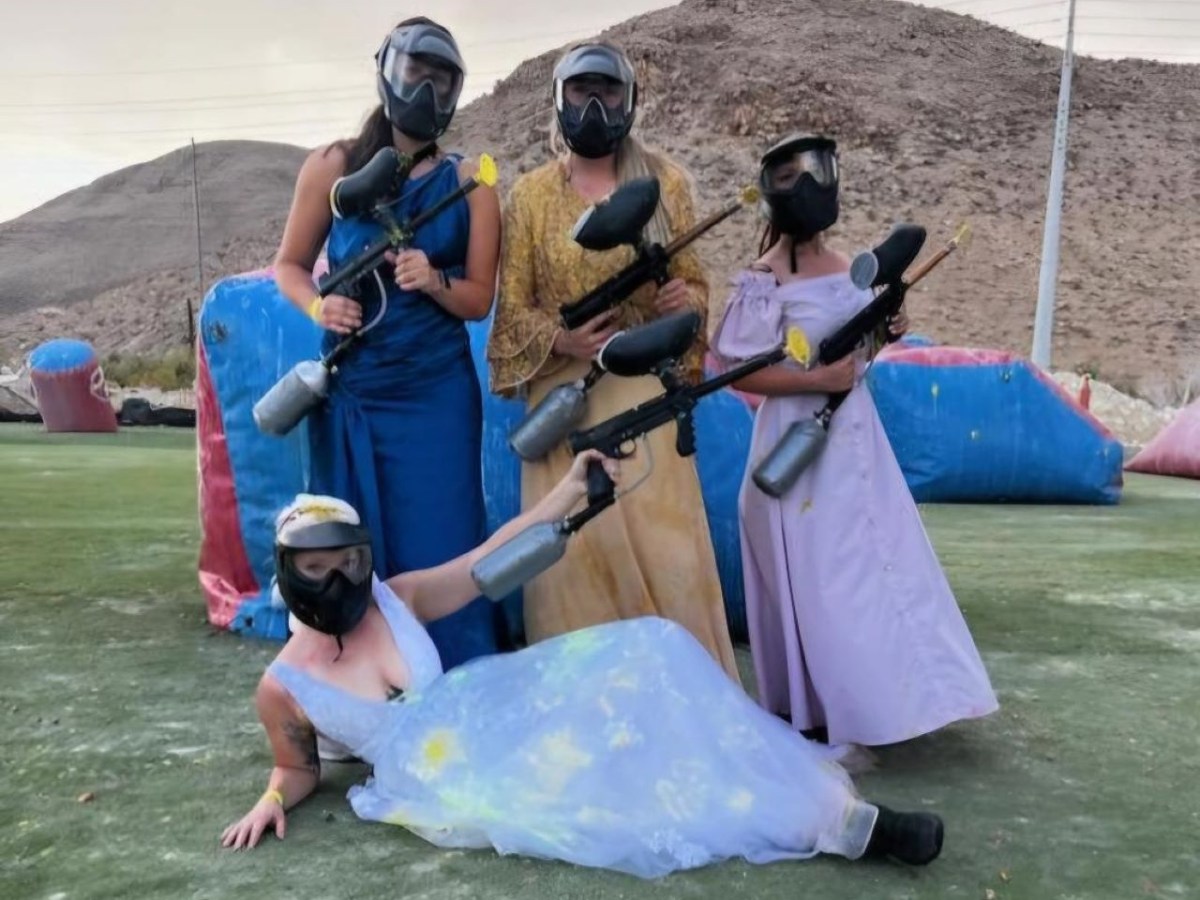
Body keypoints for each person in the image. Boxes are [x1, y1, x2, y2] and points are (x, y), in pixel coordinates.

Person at [219, 449, 946, 873]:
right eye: (316, 568)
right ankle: (842, 827)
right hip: (448, 776)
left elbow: (487, 559)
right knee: (619, 796)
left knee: (654, 647)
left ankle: (829, 806)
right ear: (288, 572)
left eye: (347, 561)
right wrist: (271, 800)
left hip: (497, 702)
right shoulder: (281, 686)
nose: (338, 580)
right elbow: (297, 767)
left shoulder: (396, 596)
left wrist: (564, 494)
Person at [711, 133, 999, 747]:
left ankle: (903, 704)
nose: (804, 186)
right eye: (787, 177)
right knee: (827, 582)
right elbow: (738, 371)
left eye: (813, 171)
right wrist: (815, 380)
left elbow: (859, 356)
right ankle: (836, 710)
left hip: (857, 439)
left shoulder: (853, 268)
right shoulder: (762, 280)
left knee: (882, 567)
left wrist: (887, 330)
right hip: (796, 448)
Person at [485, 41, 737, 679]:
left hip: (645, 399)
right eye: (580, 91)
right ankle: (579, 708)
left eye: (608, 91)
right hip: (563, 408)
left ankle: (680, 702)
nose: (594, 105)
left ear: (629, 100)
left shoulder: (665, 183)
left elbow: (694, 285)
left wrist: (684, 301)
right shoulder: (531, 196)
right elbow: (509, 314)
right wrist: (562, 341)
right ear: (559, 99)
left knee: (666, 558)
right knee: (574, 564)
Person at [271, 17, 502, 669]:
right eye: (414, 75)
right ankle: (352, 681)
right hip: (354, 391)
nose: (426, 93)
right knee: (343, 545)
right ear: (386, 75)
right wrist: (320, 304)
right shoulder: (332, 167)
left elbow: (478, 299)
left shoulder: (473, 183)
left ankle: (452, 679)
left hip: (437, 396)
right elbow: (290, 265)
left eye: (441, 82)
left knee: (444, 540)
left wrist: (434, 280)